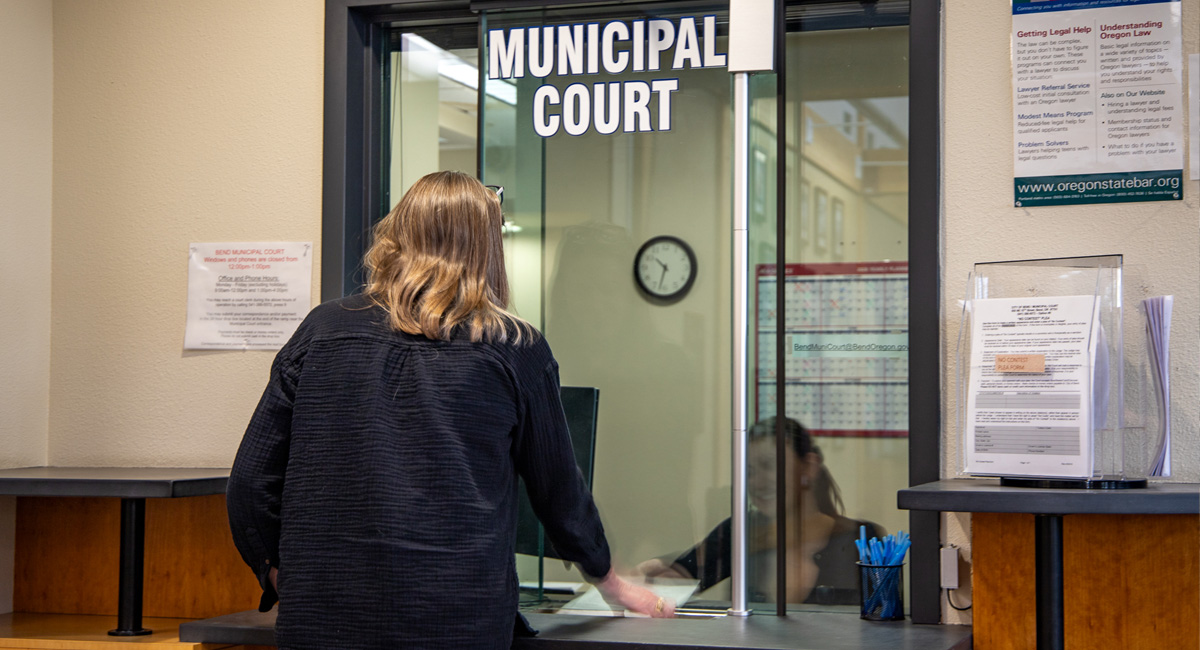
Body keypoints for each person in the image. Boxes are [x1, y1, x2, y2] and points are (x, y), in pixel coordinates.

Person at [227, 171, 673, 650]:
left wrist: (278, 572)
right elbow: (559, 494)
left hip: (323, 621)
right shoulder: (513, 347)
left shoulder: (321, 331)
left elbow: (251, 482)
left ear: (397, 235)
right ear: (487, 249)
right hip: (456, 619)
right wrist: (610, 580)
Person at [639, 417, 883, 605]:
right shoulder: (740, 531)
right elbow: (683, 576)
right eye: (750, 471)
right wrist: (649, 571)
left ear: (808, 467)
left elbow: (883, 622)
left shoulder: (862, 539)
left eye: (769, 465)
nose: (756, 482)